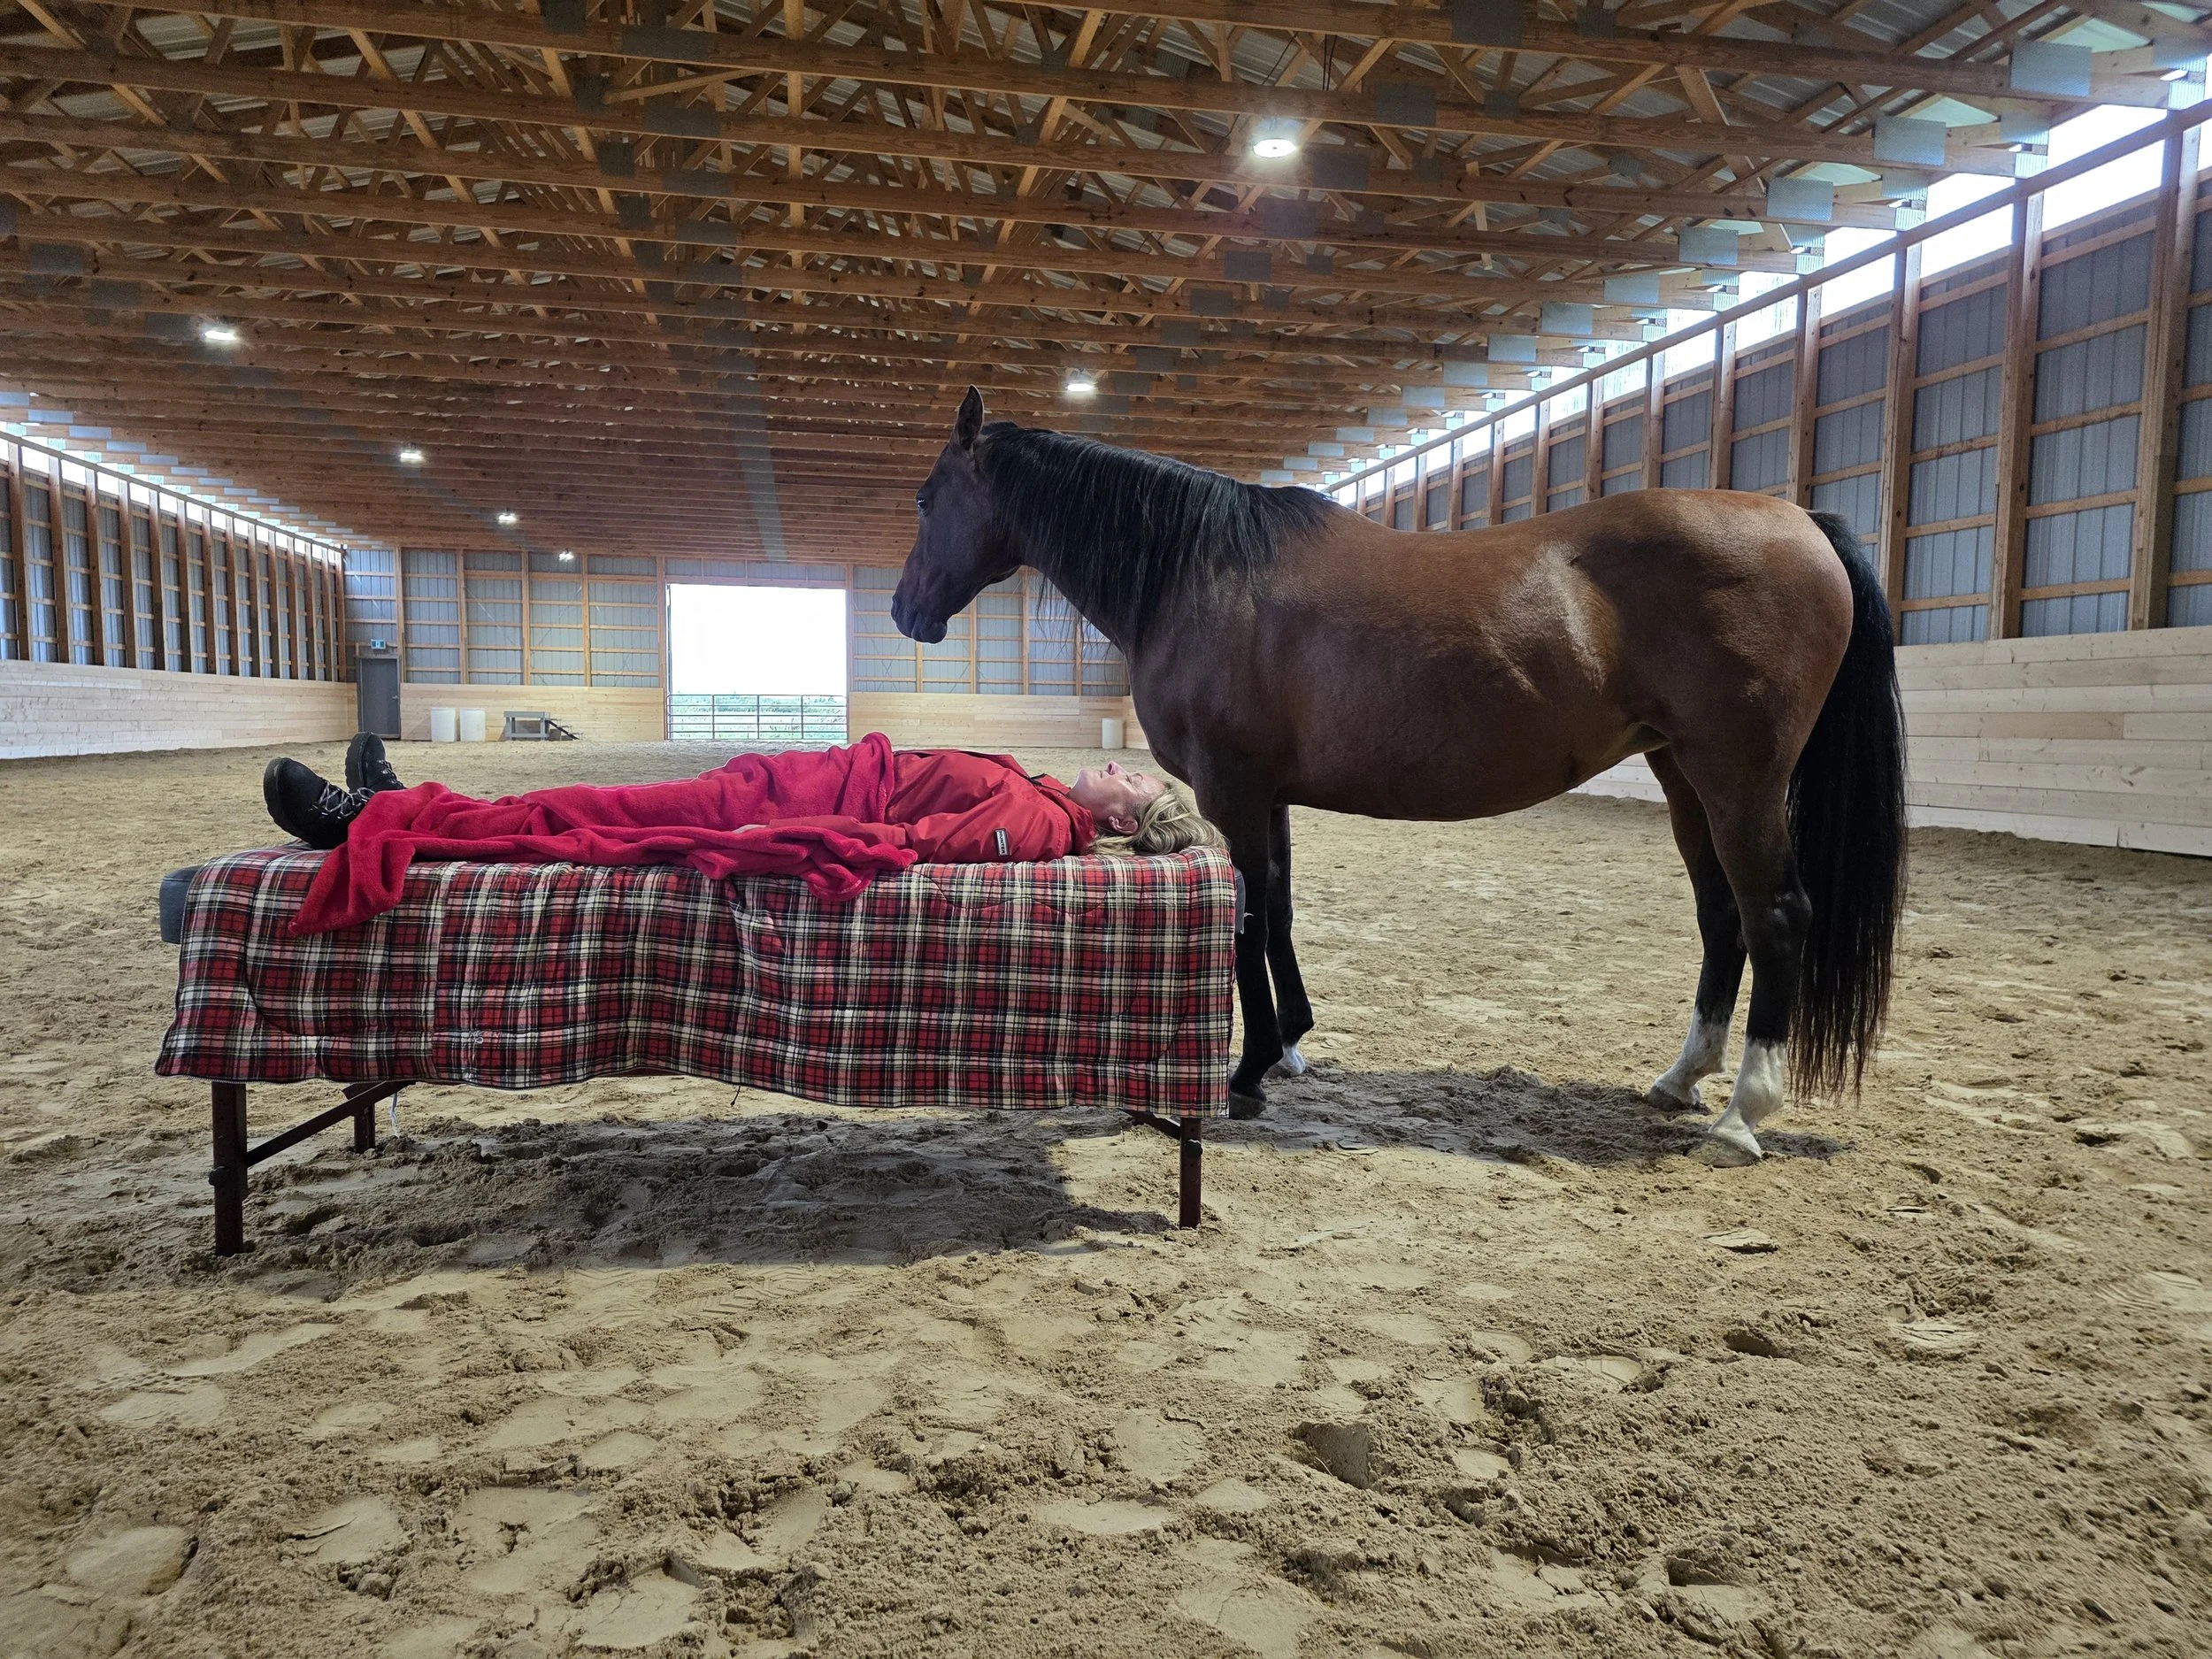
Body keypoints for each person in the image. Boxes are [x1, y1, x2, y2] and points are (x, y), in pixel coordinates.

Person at [264, 732, 1218, 935]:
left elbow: (916, 841)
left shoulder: (1041, 820)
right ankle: (420, 801)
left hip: (778, 801)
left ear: (1123, 818)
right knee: (586, 805)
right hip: (788, 780)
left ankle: (377, 820)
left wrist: (783, 826)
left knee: (581, 819)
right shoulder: (1045, 793)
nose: (1120, 767)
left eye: (1131, 779)